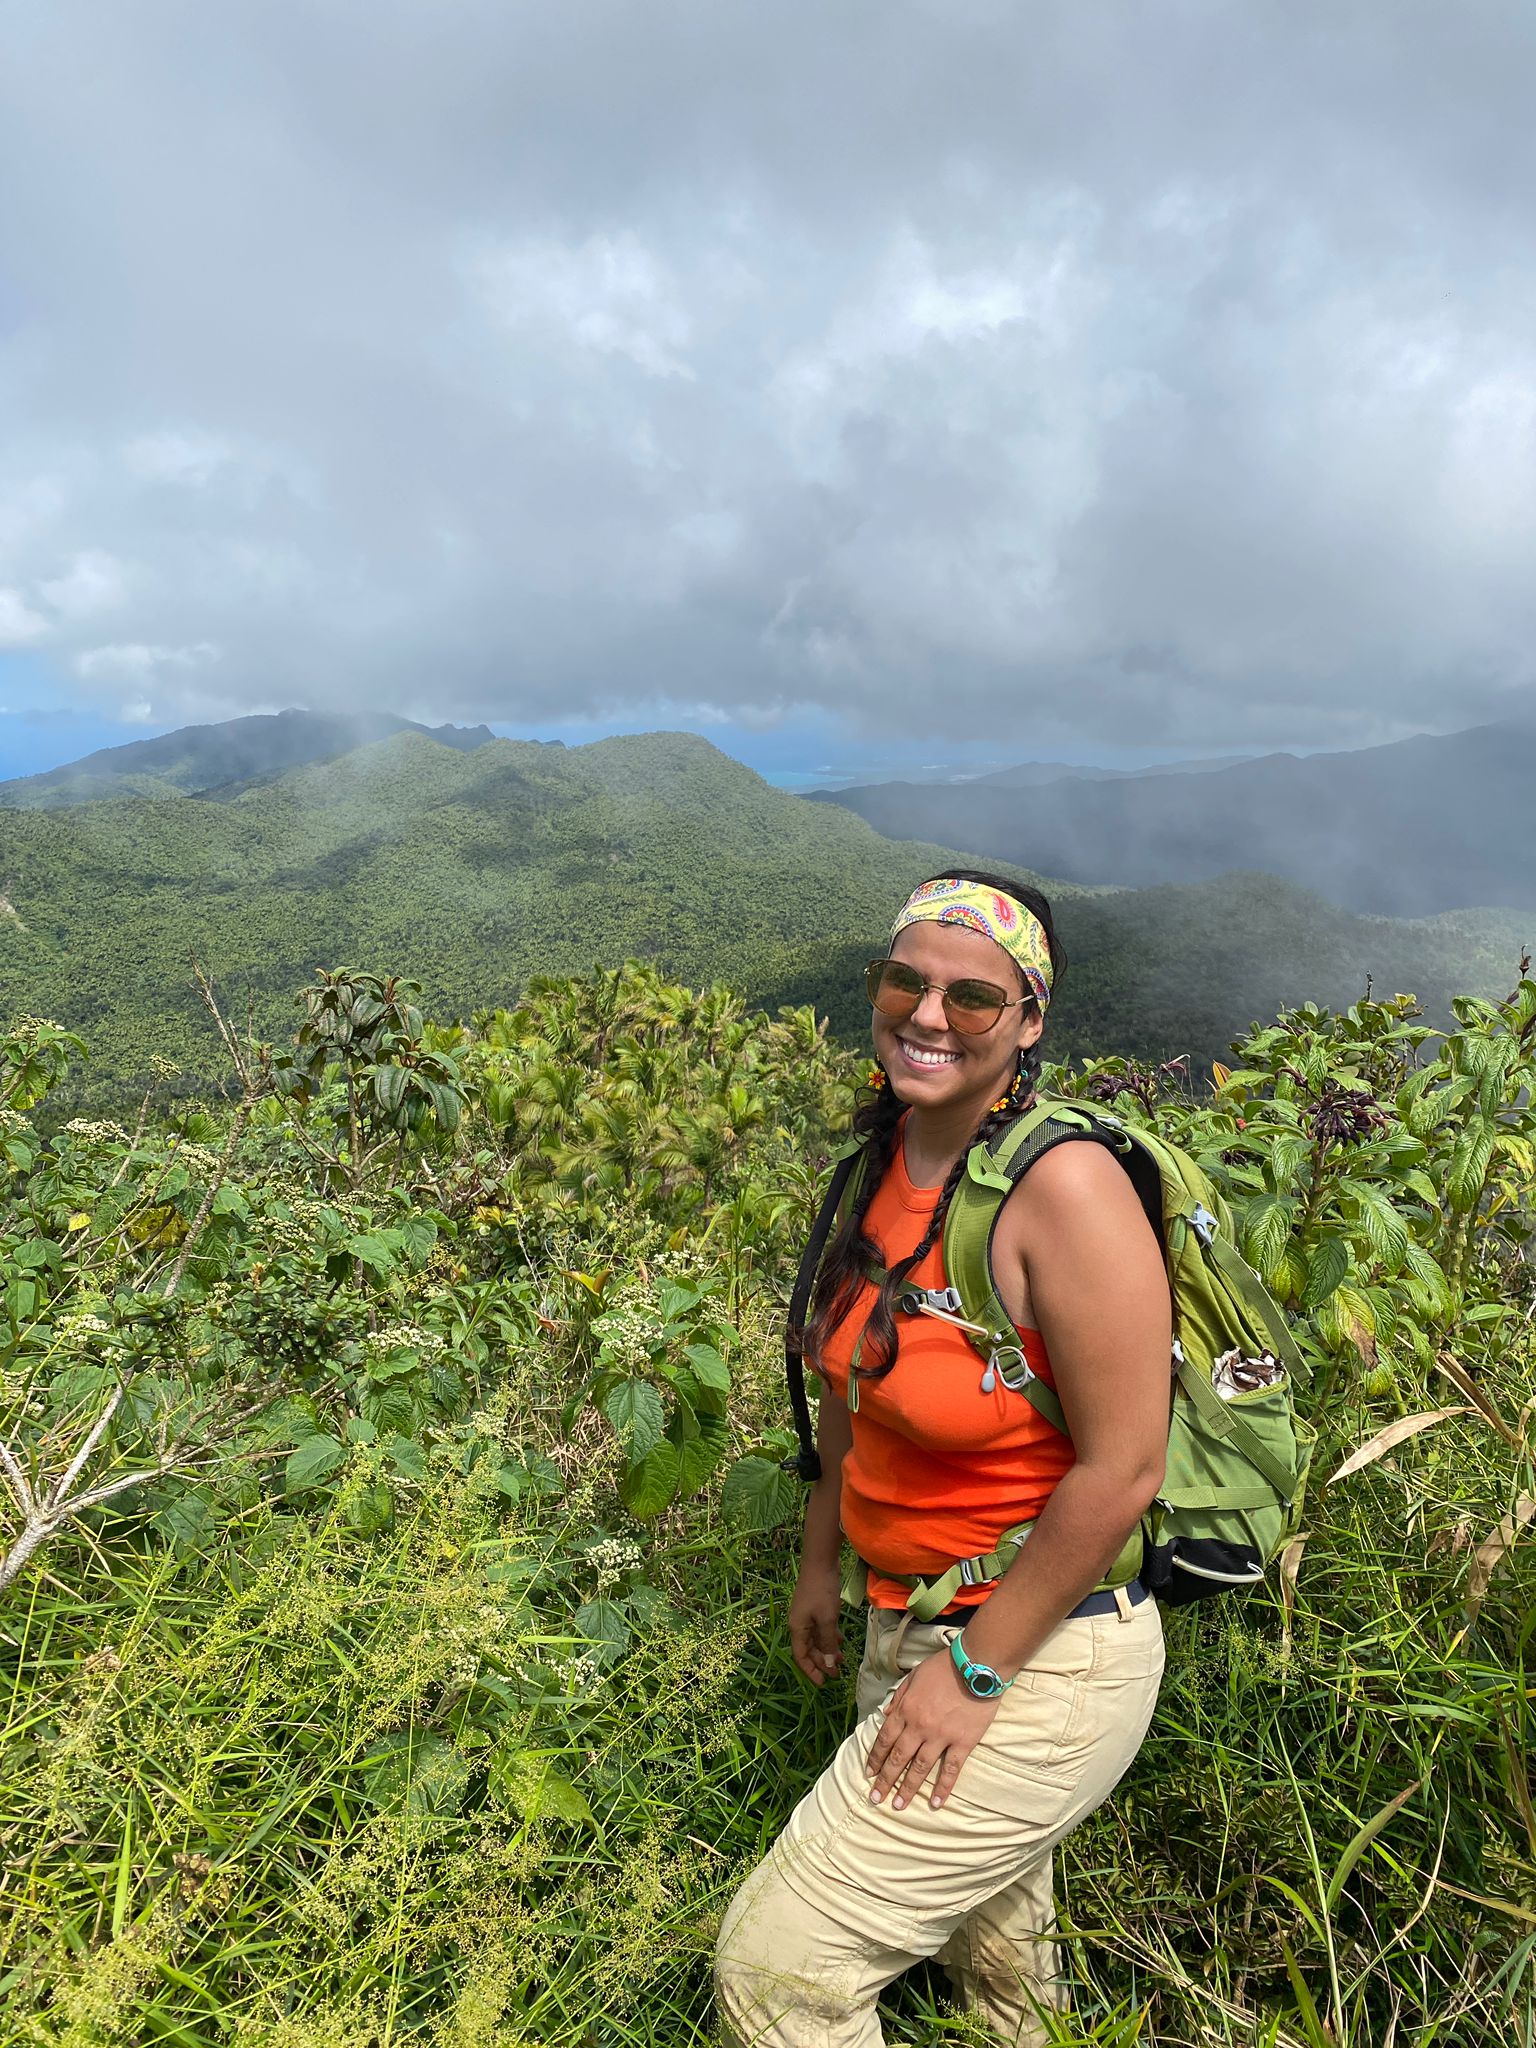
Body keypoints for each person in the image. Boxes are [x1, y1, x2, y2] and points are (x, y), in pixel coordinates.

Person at [715, 872, 1173, 2047]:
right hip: (904, 1612)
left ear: (1029, 1020)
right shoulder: (890, 1158)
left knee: (780, 1969)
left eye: (974, 997)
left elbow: (1123, 1467)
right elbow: (849, 1389)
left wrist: (972, 1672)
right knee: (1001, 1961)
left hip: (1038, 1647)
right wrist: (823, 1564)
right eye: (905, 981)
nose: (928, 1013)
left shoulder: (1062, 1188)